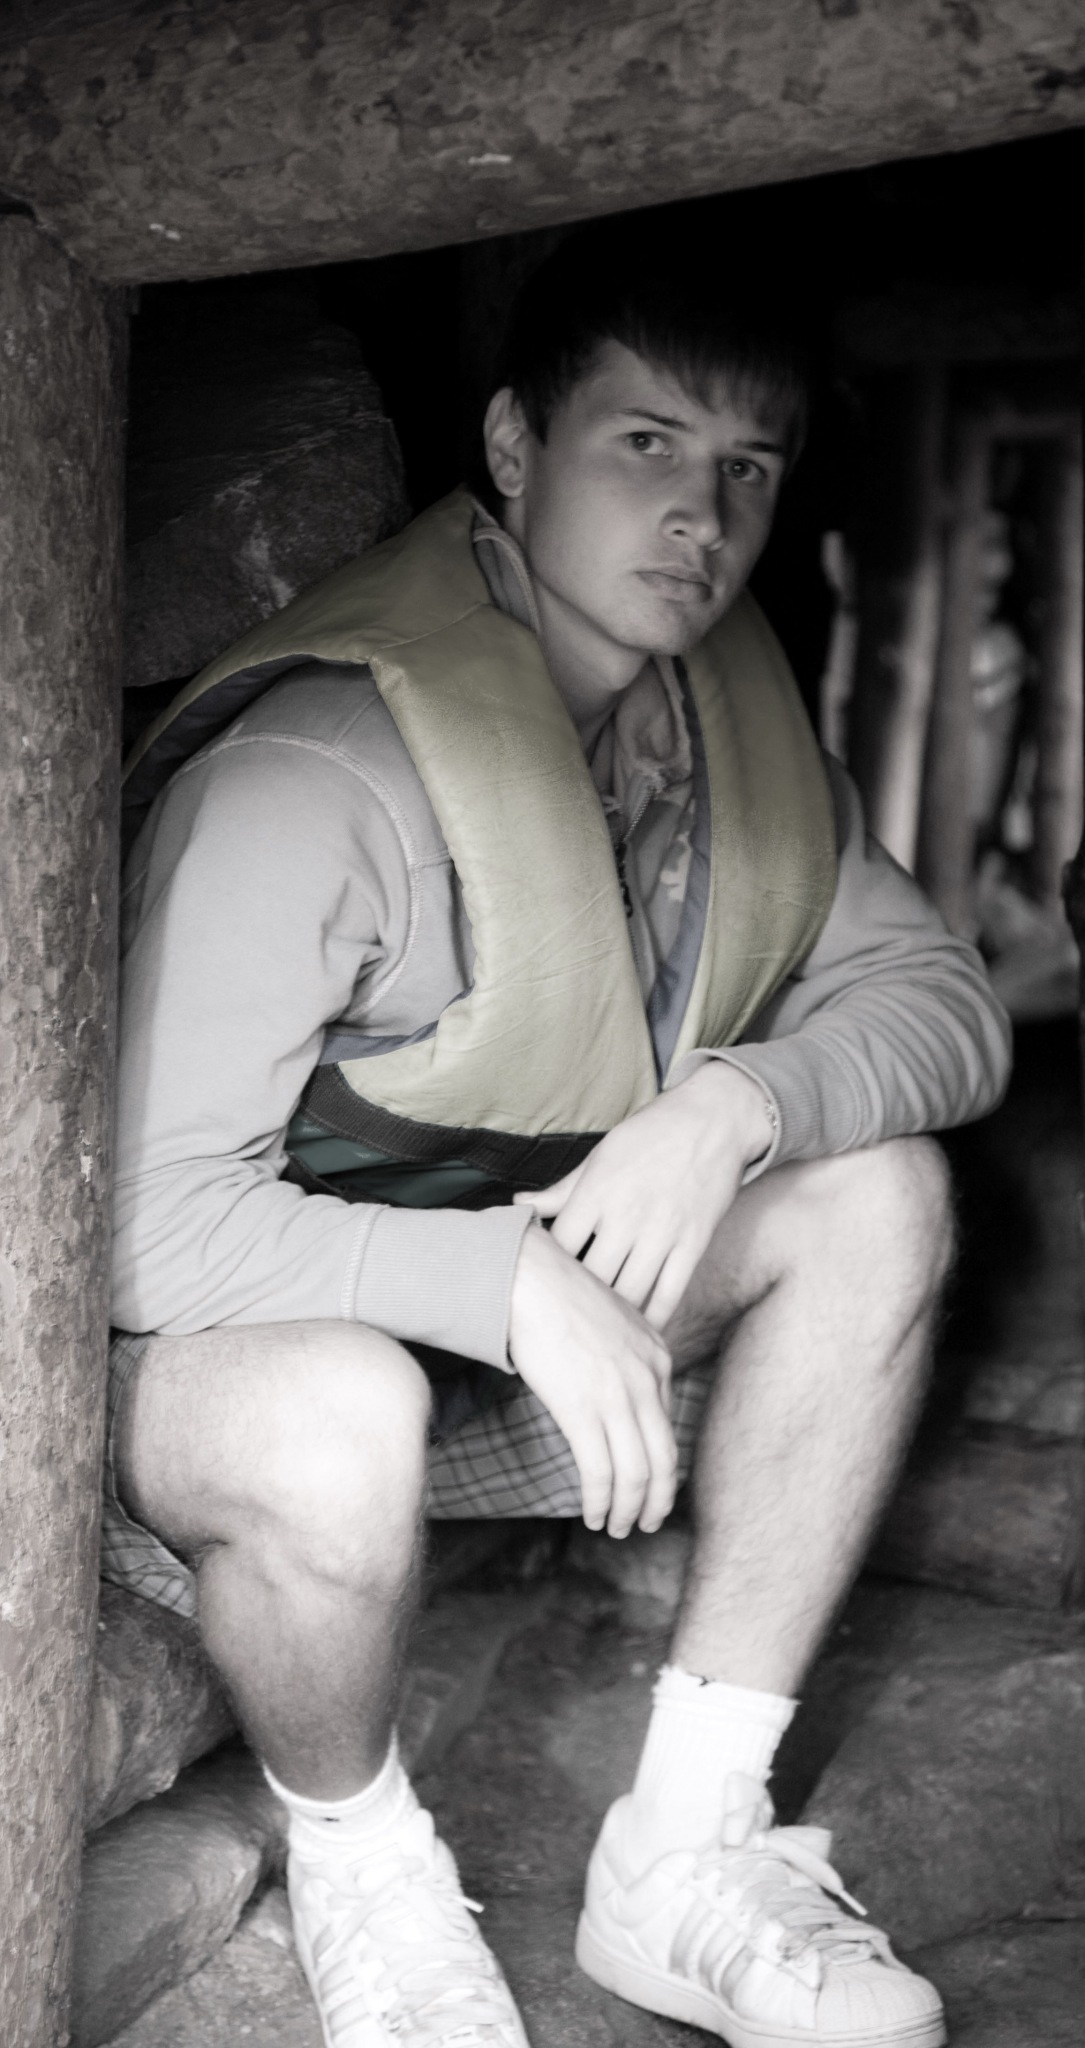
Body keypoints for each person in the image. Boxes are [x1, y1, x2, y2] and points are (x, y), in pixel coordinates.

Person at [107, 225, 1010, 2048]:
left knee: (872, 1192)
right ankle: (358, 1863)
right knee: (333, 1407)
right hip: (226, 1397)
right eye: (645, 443)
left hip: (509, 1368)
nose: (700, 515)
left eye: (745, 467)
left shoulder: (722, 732)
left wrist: (735, 1103)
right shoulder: (319, 771)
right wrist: (504, 1278)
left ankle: (685, 1850)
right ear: (516, 447)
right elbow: (139, 1234)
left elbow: (948, 1008)